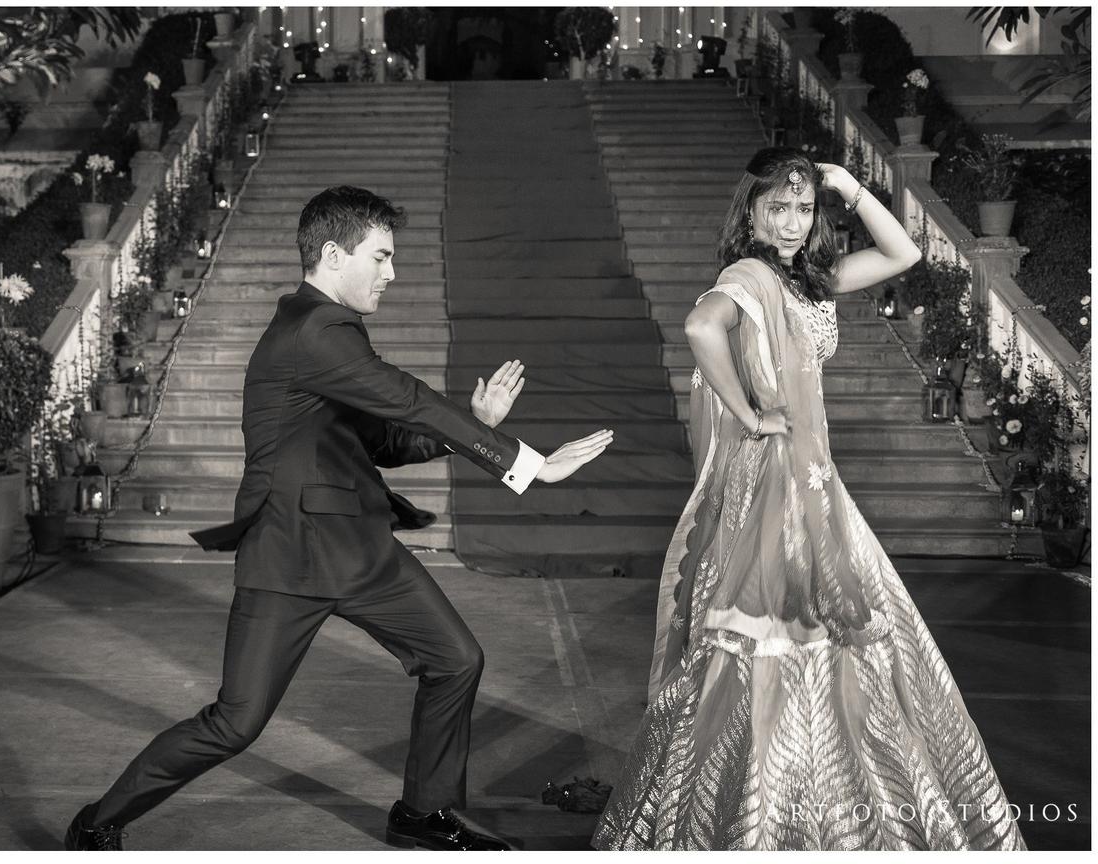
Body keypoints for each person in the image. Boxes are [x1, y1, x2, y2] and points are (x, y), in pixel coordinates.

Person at [65, 185, 614, 851]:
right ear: (332, 254)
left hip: (360, 549)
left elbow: (382, 442)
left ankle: (424, 811)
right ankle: (98, 821)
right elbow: (407, 399)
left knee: (456, 659)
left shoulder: (329, 335)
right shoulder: (314, 331)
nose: (392, 272)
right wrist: (527, 463)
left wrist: (476, 423)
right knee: (235, 724)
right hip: (290, 554)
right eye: (381, 257)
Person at [592, 148, 1027, 851]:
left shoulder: (810, 281)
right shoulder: (751, 274)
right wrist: (751, 414)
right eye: (778, 208)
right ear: (751, 212)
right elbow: (703, 329)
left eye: (802, 208)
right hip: (774, 479)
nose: (793, 222)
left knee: (820, 628)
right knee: (780, 629)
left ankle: (809, 788)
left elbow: (904, 251)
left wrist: (849, 187)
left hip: (809, 476)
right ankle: (764, 804)